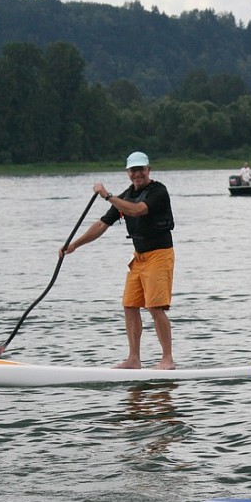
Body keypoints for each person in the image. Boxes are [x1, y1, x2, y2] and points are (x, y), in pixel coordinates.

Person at [60, 151, 177, 370]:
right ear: (128, 173)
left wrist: (107, 196)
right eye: (133, 170)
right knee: (130, 305)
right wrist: (74, 244)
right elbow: (102, 225)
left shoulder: (158, 192)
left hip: (160, 255)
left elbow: (138, 210)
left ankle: (167, 359)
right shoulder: (125, 196)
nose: (137, 174)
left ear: (148, 170)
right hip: (139, 258)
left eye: (141, 169)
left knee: (155, 307)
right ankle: (134, 359)